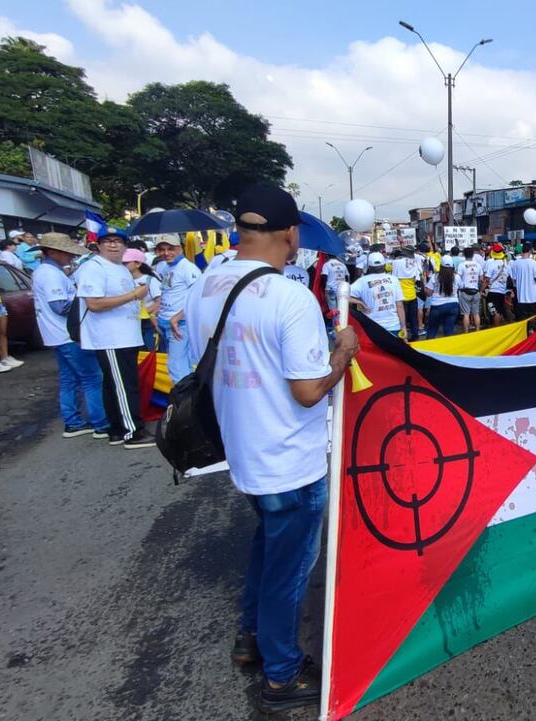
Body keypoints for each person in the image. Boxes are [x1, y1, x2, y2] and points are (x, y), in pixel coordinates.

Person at [184, 184, 358, 714]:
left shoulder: (204, 284)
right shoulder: (289, 297)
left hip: (242, 452)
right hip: (290, 462)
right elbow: (307, 391)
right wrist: (342, 355)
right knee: (288, 569)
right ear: (290, 234)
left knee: (267, 546)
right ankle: (281, 675)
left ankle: (249, 637)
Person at [74, 229, 154, 448]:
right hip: (110, 337)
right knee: (124, 386)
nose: (113, 245)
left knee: (114, 384)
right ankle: (133, 432)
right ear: (98, 245)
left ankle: (117, 429)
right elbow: (94, 304)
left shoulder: (119, 268)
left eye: (118, 241)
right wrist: (133, 295)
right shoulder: (94, 268)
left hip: (126, 335)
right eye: (107, 241)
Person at [31, 233, 109, 436]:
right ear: (54, 252)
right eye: (67, 253)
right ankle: (101, 422)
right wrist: (83, 300)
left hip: (57, 334)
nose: (70, 257)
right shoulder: (50, 274)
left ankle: (73, 421)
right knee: (92, 377)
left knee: (70, 380)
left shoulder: (44, 271)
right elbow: (59, 306)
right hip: (67, 334)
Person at [154, 234, 202, 383]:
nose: (166, 253)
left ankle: (184, 403)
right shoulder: (162, 266)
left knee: (176, 368)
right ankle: (188, 403)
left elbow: (199, 296)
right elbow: (166, 292)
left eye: (171, 249)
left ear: (179, 248)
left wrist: (178, 317)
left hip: (180, 325)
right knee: (182, 366)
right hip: (165, 323)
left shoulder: (188, 268)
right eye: (162, 249)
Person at [349, 252, 405, 338]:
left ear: (369, 266)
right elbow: (399, 305)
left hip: (372, 326)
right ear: (384, 265)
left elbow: (342, 295)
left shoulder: (362, 281)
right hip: (393, 325)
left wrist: (359, 302)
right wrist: (403, 327)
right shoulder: (394, 279)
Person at [123, 249, 162, 351]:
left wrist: (143, 312)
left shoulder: (150, 280)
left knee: (150, 352)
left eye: (126, 263)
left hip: (148, 324)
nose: (123, 265)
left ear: (138, 264)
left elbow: (160, 301)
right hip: (129, 324)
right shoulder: (123, 281)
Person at [388, 247, 422, 339]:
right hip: (412, 295)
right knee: (413, 318)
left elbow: (386, 267)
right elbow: (418, 278)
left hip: (400, 297)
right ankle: (415, 336)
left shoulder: (395, 262)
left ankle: (403, 336)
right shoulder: (414, 262)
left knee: (402, 319)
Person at [424, 260, 459, 339]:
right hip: (453, 305)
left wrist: (424, 284)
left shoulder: (435, 276)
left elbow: (428, 293)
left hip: (437, 306)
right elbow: (461, 286)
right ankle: (447, 349)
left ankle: (428, 350)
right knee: (449, 331)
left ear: (441, 266)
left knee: (432, 331)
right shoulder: (456, 276)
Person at [507, 245, 536, 318]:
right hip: (533, 296)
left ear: (522, 251)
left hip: (521, 296)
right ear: (530, 251)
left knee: (522, 320)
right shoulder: (533, 263)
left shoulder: (516, 263)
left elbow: (514, 278)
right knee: (533, 320)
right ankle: (531, 329)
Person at [455, 246, 483, 333]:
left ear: (464, 254)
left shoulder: (461, 265)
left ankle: (466, 333)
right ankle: (477, 331)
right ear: (473, 254)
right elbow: (481, 278)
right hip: (476, 291)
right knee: (476, 313)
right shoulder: (478, 265)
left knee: (466, 314)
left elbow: (457, 277)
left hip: (465, 291)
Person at [482, 243, 510, 326]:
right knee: (500, 311)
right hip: (502, 292)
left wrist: (482, 290)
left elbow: (487, 280)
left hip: (492, 292)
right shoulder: (506, 265)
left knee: (494, 312)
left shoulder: (492, 264)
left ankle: (496, 328)